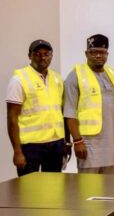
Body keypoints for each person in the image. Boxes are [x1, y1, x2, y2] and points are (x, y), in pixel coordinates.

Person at [64, 34, 114, 174]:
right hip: (89, 145)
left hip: (112, 143)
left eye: (102, 52)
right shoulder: (75, 76)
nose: (98, 56)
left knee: (110, 190)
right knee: (89, 190)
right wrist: (77, 141)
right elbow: (69, 113)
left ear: (107, 54)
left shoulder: (113, 75)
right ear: (86, 54)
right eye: (94, 52)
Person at [6, 40, 68, 176]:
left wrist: (65, 142)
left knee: (53, 189)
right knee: (29, 191)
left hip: (55, 143)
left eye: (46, 54)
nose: (42, 57)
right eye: (37, 54)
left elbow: (61, 112)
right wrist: (17, 151)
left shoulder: (57, 79)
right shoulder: (19, 79)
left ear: (52, 56)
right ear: (30, 56)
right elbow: (12, 119)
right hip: (30, 146)